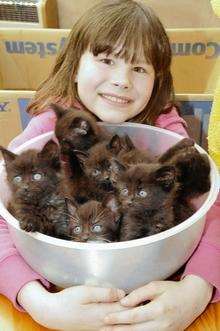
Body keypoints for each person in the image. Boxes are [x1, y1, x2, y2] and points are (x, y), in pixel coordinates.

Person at [0, 1, 219, 330]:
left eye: (139, 69)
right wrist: (38, 301)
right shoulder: (49, 128)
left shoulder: (167, 132)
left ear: (158, 80)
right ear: (74, 67)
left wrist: (197, 289)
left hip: (153, 284)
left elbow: (212, 208)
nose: (122, 80)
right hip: (64, 287)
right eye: (106, 60)